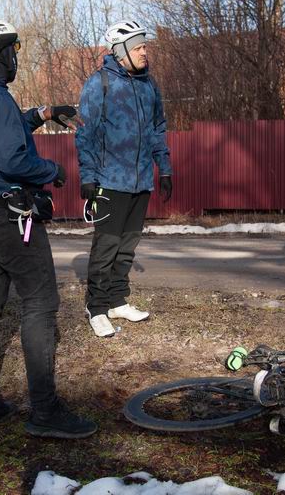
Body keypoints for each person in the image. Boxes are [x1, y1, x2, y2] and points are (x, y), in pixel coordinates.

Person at [0, 18, 96, 439]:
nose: (16, 58)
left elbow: (2, 133)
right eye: (13, 50)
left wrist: (44, 113)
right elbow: (14, 161)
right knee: (40, 303)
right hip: (7, 215)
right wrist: (54, 169)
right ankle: (45, 412)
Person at [76, 20, 173, 337]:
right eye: (139, 47)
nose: (145, 52)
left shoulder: (149, 85)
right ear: (120, 53)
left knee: (127, 246)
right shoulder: (99, 84)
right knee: (106, 247)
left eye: (145, 46)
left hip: (141, 180)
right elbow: (85, 135)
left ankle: (117, 300)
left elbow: (158, 129)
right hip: (109, 181)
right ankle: (98, 307)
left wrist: (165, 168)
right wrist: (88, 176)